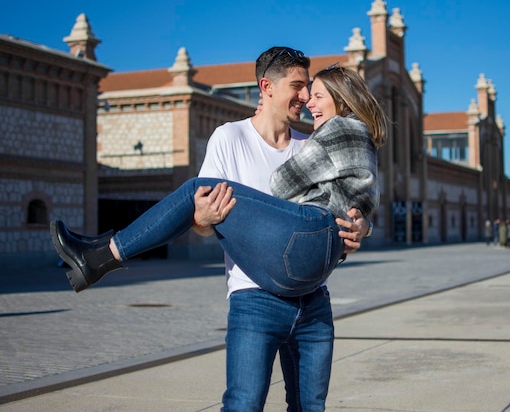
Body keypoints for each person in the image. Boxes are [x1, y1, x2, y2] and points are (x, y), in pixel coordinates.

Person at [51, 47, 386, 411]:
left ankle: (102, 255)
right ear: (266, 86)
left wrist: (362, 229)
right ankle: (101, 254)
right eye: (298, 86)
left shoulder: (313, 143)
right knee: (243, 404)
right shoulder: (230, 138)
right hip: (255, 297)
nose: (305, 98)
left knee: (309, 407)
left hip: (312, 298)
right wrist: (204, 221)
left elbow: (341, 202)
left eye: (310, 89)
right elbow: (203, 226)